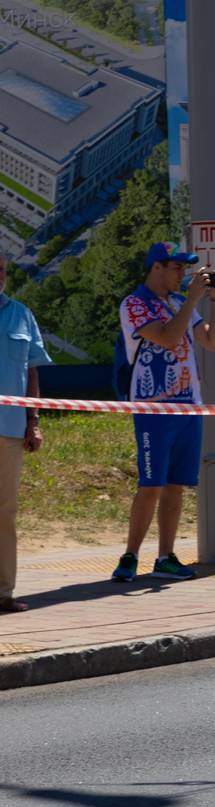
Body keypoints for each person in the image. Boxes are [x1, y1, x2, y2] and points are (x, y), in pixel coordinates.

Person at [111, 243, 215, 582]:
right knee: (151, 484)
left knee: (176, 485)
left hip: (189, 404)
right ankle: (130, 555)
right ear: (156, 268)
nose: (182, 275)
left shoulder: (179, 303)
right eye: (177, 268)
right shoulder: (134, 304)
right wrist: (192, 300)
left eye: (184, 269)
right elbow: (165, 337)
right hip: (152, 407)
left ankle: (165, 556)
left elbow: (214, 342)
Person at [0, 256, 49, 612]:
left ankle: (3, 593)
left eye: (1, 270)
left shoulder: (21, 314)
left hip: (10, 428)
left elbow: (32, 373)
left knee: (5, 512)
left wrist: (33, 421)